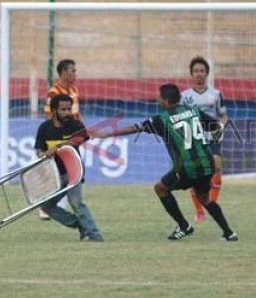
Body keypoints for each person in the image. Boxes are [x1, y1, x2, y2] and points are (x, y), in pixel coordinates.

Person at [91, 84, 238, 241]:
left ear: (166, 100)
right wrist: (213, 147)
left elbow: (135, 127)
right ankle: (229, 233)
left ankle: (184, 225)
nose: (158, 99)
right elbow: (216, 126)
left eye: (159, 97)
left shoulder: (162, 119)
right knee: (205, 199)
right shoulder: (193, 111)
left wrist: (106, 134)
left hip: (187, 168)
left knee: (160, 188)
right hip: (206, 164)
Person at [35, 94, 104, 242]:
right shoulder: (44, 128)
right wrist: (45, 154)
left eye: (69, 109)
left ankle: (95, 235)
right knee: (46, 206)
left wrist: (60, 146)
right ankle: (79, 224)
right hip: (55, 175)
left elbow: (80, 139)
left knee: (75, 202)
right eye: (63, 109)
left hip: (73, 171)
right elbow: (39, 152)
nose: (67, 113)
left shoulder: (76, 125)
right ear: (53, 111)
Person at [181, 56, 228, 223]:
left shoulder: (215, 94)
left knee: (217, 166)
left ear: (207, 73)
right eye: (195, 71)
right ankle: (199, 210)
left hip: (212, 138)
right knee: (195, 174)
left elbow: (223, 116)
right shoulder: (185, 96)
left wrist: (220, 129)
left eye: (201, 71)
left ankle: (212, 203)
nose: (198, 74)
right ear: (191, 74)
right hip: (193, 139)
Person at [40, 59, 82, 220]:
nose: (75, 73)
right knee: (58, 171)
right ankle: (46, 205)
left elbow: (77, 114)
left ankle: (54, 207)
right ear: (63, 72)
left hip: (73, 137)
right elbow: (49, 116)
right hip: (58, 138)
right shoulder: (53, 93)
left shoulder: (74, 91)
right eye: (73, 70)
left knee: (71, 172)